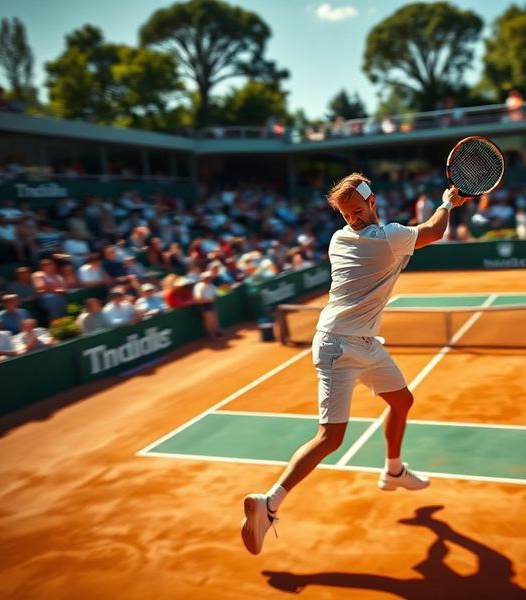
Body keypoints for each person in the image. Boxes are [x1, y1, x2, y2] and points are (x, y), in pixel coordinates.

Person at [241, 173, 471, 555]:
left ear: (371, 202)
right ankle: (269, 504)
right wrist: (448, 202)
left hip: (362, 343)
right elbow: (434, 230)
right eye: (347, 214)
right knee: (330, 437)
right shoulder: (388, 238)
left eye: (357, 210)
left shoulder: (339, 240)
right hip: (337, 347)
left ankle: (393, 470)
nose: (353, 219)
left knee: (402, 401)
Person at [193, 270, 220, 338]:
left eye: (209, 277)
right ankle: (211, 334)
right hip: (201, 305)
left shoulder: (212, 285)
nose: (209, 279)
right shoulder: (198, 286)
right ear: (203, 279)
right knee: (209, 317)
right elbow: (198, 299)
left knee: (214, 316)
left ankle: (217, 331)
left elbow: (216, 294)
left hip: (209, 303)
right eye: (207, 278)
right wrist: (209, 300)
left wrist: (214, 297)